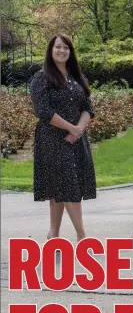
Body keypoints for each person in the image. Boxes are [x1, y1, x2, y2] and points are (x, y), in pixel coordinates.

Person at [29, 33, 96, 242]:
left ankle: (54, 235)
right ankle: (82, 236)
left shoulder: (77, 77)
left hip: (76, 140)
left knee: (61, 187)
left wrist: (78, 130)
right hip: (52, 140)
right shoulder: (41, 78)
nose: (62, 51)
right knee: (68, 186)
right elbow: (44, 111)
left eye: (66, 48)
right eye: (58, 47)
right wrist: (72, 128)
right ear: (51, 50)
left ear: (70, 52)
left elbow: (88, 107)